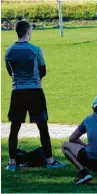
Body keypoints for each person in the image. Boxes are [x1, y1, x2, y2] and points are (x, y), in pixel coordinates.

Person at [5, 20, 66, 171]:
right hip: (35, 92)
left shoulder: (9, 51)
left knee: (14, 128)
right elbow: (42, 70)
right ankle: (50, 161)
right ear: (28, 31)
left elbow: (10, 71)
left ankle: (11, 163)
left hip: (17, 92)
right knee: (42, 126)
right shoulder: (35, 50)